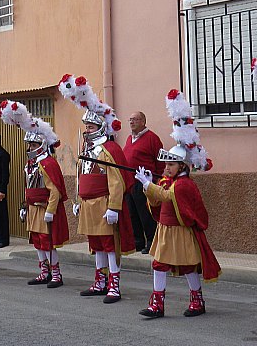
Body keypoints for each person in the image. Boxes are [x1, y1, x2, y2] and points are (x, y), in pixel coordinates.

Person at [136, 89, 220, 319]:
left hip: (180, 231)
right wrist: (148, 187)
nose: (166, 168)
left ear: (182, 166)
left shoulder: (183, 185)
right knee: (158, 265)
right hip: (165, 230)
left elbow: (167, 196)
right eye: (165, 165)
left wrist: (148, 185)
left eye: (171, 165)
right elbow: (156, 199)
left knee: (188, 267)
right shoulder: (167, 180)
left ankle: (197, 301)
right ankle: (157, 304)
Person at [59, 74, 136, 303]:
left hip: (104, 205)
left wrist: (114, 207)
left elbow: (116, 181)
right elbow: (81, 177)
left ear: (100, 127)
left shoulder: (110, 149)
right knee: (96, 245)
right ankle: (99, 281)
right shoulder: (87, 149)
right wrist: (77, 201)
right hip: (88, 205)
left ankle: (114, 284)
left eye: (91, 126)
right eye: (86, 126)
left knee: (110, 245)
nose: (86, 130)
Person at [0, 100, 69, 287]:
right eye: (28, 144)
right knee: (37, 241)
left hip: (44, 208)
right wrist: (24, 205)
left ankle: (56, 274)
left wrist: (51, 211)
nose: (29, 147)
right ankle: (43, 272)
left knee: (48, 242)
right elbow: (28, 186)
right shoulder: (30, 163)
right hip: (32, 208)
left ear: (41, 144)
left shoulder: (48, 163)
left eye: (32, 144)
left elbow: (54, 190)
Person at [123, 111, 163, 254]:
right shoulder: (129, 138)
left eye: (135, 119)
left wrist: (156, 179)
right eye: (130, 119)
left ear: (143, 122)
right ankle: (138, 241)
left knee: (145, 212)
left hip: (144, 181)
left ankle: (151, 241)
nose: (131, 122)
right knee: (132, 213)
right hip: (129, 181)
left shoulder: (152, 138)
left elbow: (160, 160)